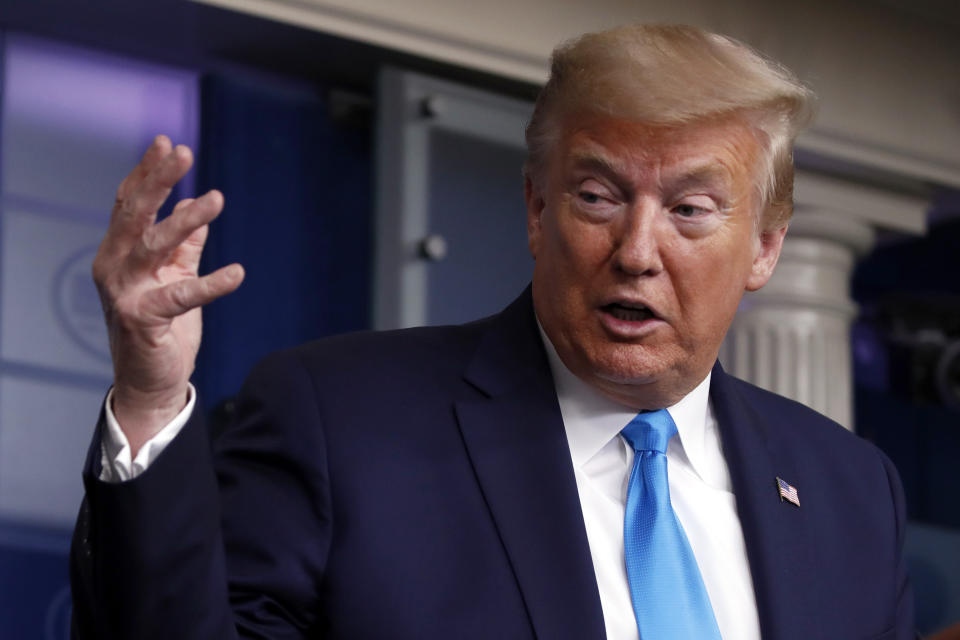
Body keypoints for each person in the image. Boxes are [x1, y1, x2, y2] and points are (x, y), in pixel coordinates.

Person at [71, 24, 915, 639]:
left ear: (765, 248)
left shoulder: (851, 492)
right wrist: (147, 395)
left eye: (691, 210)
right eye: (597, 196)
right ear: (537, 210)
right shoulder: (339, 419)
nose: (636, 251)